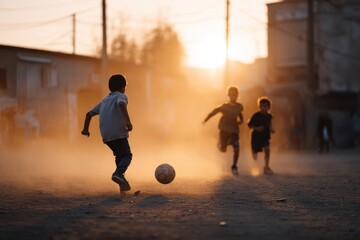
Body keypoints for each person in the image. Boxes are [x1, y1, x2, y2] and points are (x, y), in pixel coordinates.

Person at [81, 74, 133, 193]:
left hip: (106, 136)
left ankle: (122, 185)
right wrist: (128, 122)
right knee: (127, 155)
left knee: (119, 156)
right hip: (118, 133)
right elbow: (121, 104)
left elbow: (89, 114)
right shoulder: (121, 96)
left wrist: (85, 129)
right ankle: (119, 173)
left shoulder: (104, 101)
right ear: (122, 87)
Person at [203, 86, 244, 175]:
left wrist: (241, 121)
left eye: (235, 95)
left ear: (237, 95)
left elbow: (240, 116)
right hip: (224, 129)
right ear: (228, 95)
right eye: (231, 95)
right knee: (223, 150)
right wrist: (206, 119)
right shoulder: (224, 106)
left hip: (234, 130)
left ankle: (234, 166)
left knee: (236, 148)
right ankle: (221, 143)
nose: (233, 96)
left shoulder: (239, 106)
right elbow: (214, 112)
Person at [248, 96, 275, 175]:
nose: (263, 108)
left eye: (265, 106)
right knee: (255, 153)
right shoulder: (256, 115)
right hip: (256, 136)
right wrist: (257, 128)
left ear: (268, 107)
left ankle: (266, 166)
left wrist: (271, 128)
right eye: (261, 106)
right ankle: (254, 152)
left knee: (267, 149)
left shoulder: (269, 116)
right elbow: (249, 124)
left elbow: (269, 122)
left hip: (265, 135)